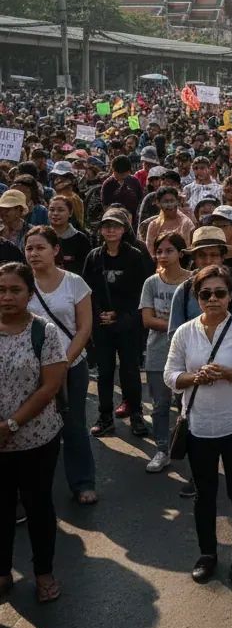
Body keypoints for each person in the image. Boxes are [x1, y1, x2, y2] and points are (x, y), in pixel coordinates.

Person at [164, 264, 232, 585]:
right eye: (205, 294)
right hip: (199, 427)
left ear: (230, 296)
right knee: (204, 495)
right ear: (197, 297)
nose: (213, 299)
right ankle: (208, 553)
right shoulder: (185, 332)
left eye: (220, 293)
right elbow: (170, 375)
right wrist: (196, 377)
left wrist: (230, 374)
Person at [0, 261, 67, 603]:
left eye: (15, 290)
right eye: (1, 290)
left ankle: (43, 573)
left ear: (29, 294)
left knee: (38, 506)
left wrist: (11, 425)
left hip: (36, 439)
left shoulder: (44, 332)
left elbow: (49, 386)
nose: (7, 297)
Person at [24, 227, 95, 504]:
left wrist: (62, 362)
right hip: (29, 369)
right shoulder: (21, 282)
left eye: (40, 247)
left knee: (74, 424)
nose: (34, 253)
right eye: (29, 248)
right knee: (28, 427)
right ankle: (31, 489)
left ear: (55, 250)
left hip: (72, 365)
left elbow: (84, 327)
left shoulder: (74, 282)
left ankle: (83, 482)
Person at [83, 208, 155, 438]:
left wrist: (120, 314)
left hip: (128, 323)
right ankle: (105, 417)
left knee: (130, 371)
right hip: (102, 325)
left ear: (124, 229)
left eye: (115, 226)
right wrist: (95, 318)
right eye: (106, 226)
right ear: (101, 230)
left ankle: (135, 413)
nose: (111, 230)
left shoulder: (134, 256)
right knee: (104, 373)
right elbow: (86, 292)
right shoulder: (94, 257)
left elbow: (142, 292)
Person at [140, 232, 192, 473]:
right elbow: (148, 319)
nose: (163, 255)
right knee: (159, 405)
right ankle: (162, 449)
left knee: (187, 404)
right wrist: (180, 325)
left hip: (189, 353)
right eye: (159, 251)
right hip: (158, 352)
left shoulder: (192, 281)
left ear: (181, 253)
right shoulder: (151, 282)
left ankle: (190, 448)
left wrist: (175, 325)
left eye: (169, 250)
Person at [144, 185, 195, 256]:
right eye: (165, 201)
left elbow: (188, 250)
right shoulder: (154, 225)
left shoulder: (186, 223)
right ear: (158, 203)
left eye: (172, 201)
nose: (169, 205)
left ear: (177, 202)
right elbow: (150, 253)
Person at [46, 196, 90, 275]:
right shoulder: (41, 236)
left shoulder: (81, 239)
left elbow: (86, 270)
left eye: (60, 210)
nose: (55, 213)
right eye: (52, 210)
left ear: (70, 213)